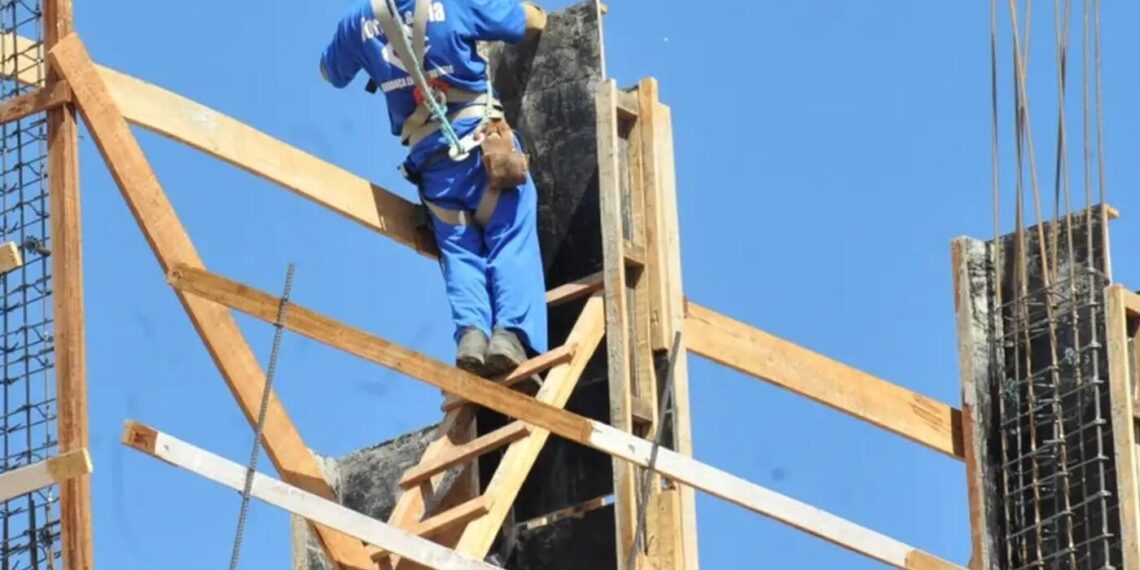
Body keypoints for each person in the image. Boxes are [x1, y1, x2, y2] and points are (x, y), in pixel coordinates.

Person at [320, 0, 549, 377]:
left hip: (433, 168)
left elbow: (330, 71)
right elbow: (528, 20)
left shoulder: (358, 20)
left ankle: (472, 337)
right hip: (480, 149)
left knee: (460, 253)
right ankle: (510, 336)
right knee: (510, 236)